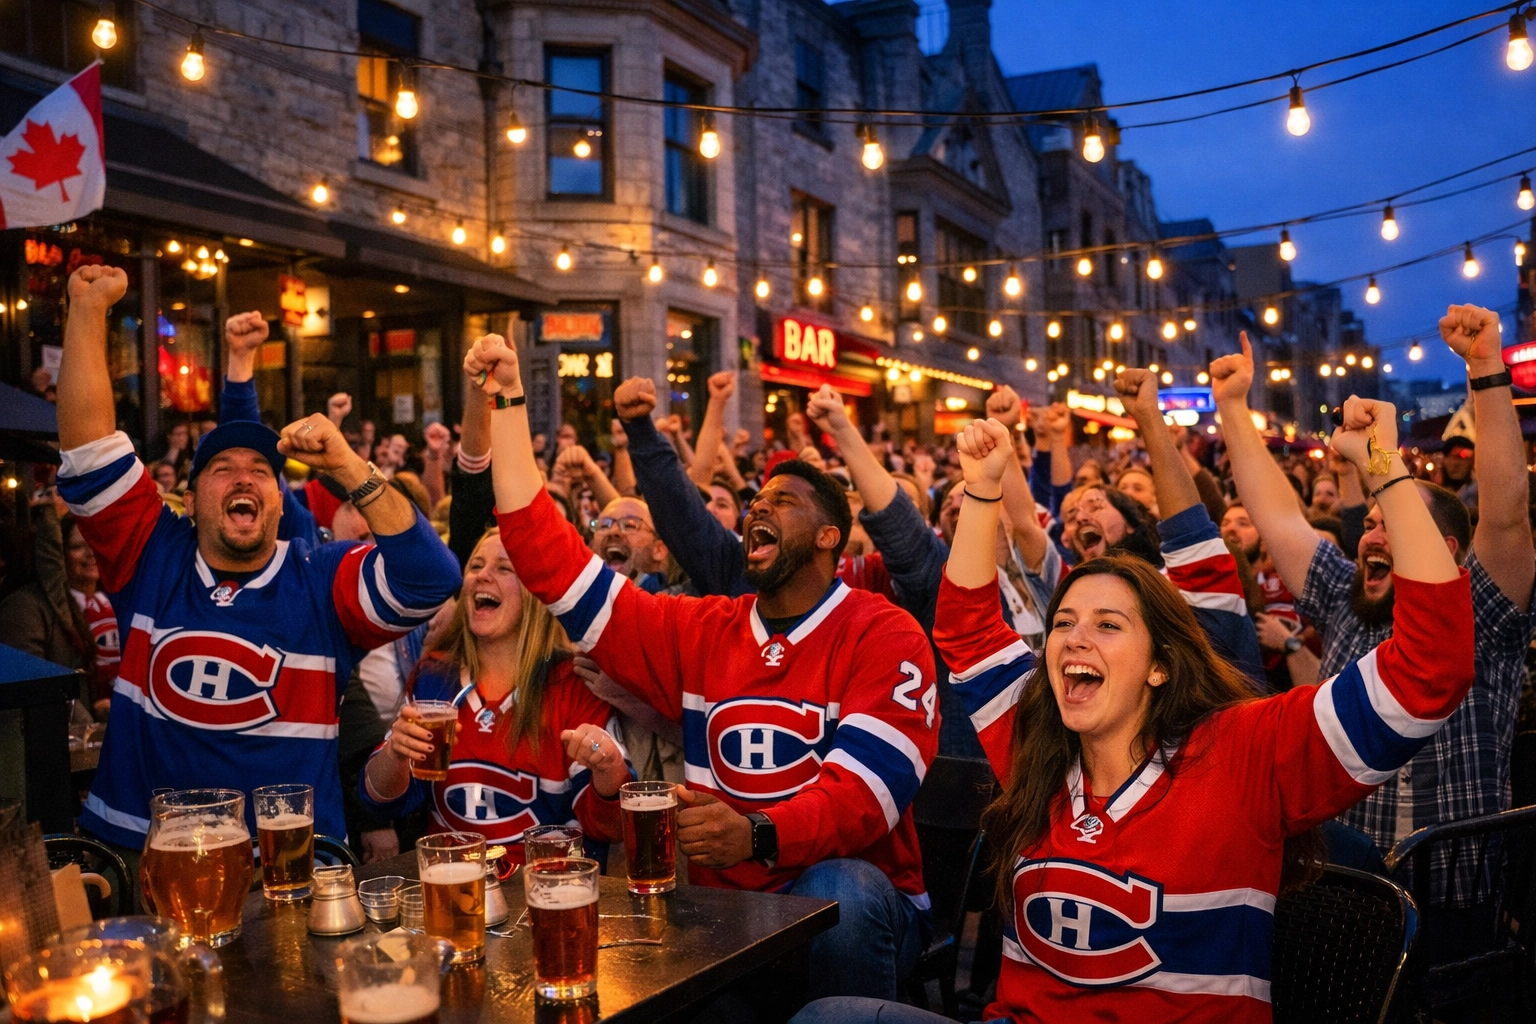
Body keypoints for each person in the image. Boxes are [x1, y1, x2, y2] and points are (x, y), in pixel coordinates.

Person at [790, 399, 1474, 1024]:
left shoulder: (1246, 751)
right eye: (1064, 623)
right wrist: (983, 487)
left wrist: (1387, 469)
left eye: (1109, 625)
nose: (1076, 638)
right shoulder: (1038, 743)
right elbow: (967, 628)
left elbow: (1428, 669)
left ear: (1161, 665)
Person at [465, 332, 937, 1001]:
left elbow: (865, 799)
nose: (759, 507)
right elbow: (551, 562)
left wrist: (757, 834)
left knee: (843, 888)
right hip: (730, 917)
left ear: (830, 536)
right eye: (758, 498)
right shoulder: (698, 626)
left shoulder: (882, 630)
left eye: (785, 500)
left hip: (854, 909)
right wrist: (507, 400)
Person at [52, 264, 462, 860]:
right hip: (145, 858)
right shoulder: (152, 554)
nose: (243, 477)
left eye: (261, 472)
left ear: (280, 501)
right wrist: (87, 309)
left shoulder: (320, 577)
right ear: (189, 502)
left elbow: (432, 577)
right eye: (223, 469)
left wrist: (348, 464)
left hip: (288, 868)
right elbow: (89, 449)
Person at [1215, 316, 1533, 911]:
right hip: (1344, 904)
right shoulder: (1344, 597)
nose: (1371, 533)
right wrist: (1233, 405)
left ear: (1448, 554)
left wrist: (1486, 369)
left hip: (1455, 903)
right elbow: (1279, 517)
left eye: (1394, 522)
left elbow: (1509, 514)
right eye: (1369, 523)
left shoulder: (1481, 610)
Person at [360, 529, 630, 864]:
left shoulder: (573, 684)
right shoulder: (433, 677)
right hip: (453, 887)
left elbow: (612, 826)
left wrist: (608, 768)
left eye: (504, 568)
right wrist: (395, 754)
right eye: (475, 566)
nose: (482, 576)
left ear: (537, 590)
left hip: (550, 894)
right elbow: (380, 799)